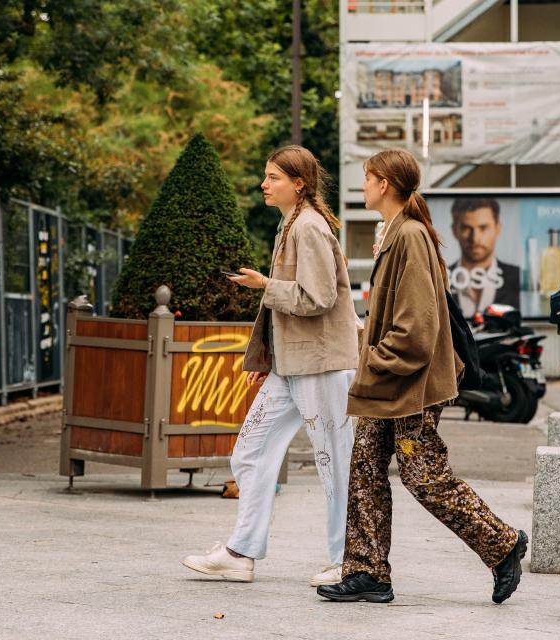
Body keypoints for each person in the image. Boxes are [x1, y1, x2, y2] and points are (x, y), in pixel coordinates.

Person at [316, 149, 528, 605]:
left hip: (408, 383)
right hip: (387, 382)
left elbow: (416, 327)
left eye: (368, 178)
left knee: (424, 478)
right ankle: (368, 572)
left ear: (385, 185)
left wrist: (374, 359)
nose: (364, 185)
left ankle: (502, 543)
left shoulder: (410, 236)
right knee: (365, 471)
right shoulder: (397, 232)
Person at [182, 145, 360, 587]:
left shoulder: (310, 227)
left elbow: (318, 298)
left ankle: (349, 561)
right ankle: (241, 552)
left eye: (273, 177)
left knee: (335, 464)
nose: (265, 184)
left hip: (321, 365)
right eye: (266, 176)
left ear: (298, 184)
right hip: (294, 364)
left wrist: (265, 285)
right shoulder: (292, 224)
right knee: (251, 450)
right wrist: (272, 356)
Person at [448, 197, 520, 317]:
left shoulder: (517, 278)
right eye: (466, 228)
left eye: (483, 228)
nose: (475, 238)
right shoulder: (441, 279)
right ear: (455, 230)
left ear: (498, 228)